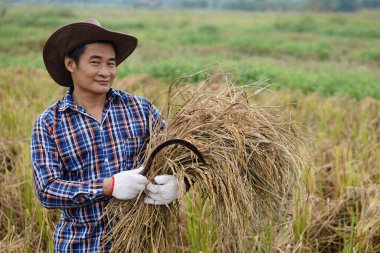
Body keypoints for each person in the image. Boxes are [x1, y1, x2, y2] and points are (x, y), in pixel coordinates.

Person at [31, 18, 179, 252]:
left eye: (111, 64)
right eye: (95, 62)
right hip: (80, 245)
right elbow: (47, 190)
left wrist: (180, 184)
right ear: (71, 63)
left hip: (140, 241)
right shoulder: (49, 123)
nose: (105, 72)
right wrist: (108, 186)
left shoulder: (141, 109)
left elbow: (177, 155)